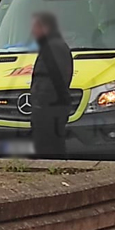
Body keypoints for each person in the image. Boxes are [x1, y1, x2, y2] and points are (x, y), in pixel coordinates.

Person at [29, 12, 74, 156]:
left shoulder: (54, 47)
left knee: (50, 149)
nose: (33, 30)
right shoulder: (51, 45)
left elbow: (55, 78)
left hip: (50, 109)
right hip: (49, 107)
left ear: (46, 27)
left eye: (36, 26)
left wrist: (40, 101)